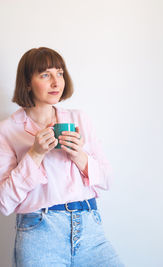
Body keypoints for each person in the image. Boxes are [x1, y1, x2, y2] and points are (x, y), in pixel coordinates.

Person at [0, 47, 124, 267]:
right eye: (45, 75)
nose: (56, 82)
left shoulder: (79, 119)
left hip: (90, 228)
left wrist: (79, 155)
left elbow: (107, 179)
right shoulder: (7, 130)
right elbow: (4, 203)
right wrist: (35, 154)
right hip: (39, 233)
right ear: (27, 82)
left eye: (60, 73)